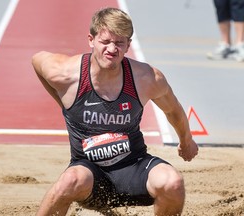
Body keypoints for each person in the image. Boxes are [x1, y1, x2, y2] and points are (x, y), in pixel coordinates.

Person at [32, 7, 198, 216]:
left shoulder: (146, 78)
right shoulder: (65, 73)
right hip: (89, 174)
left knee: (173, 182)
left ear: (128, 45)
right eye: (105, 42)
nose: (112, 49)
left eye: (119, 43)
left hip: (134, 165)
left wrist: (186, 140)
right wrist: (62, 101)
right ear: (91, 40)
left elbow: (173, 109)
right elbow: (37, 61)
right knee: (69, 181)